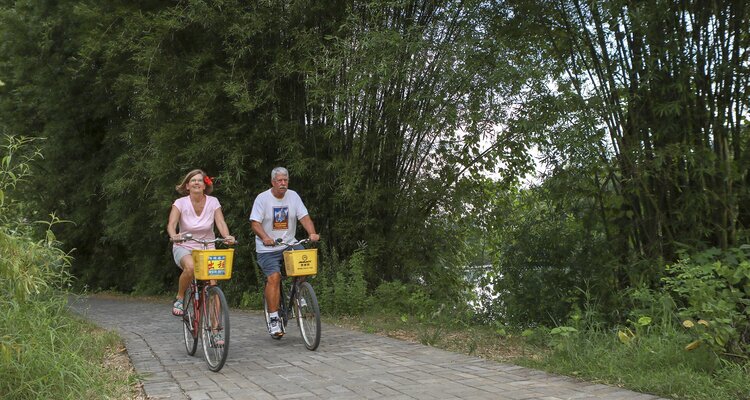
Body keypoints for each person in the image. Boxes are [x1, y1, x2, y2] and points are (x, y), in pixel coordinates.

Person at [250, 167, 320, 336]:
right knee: (273, 278)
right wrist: (265, 237)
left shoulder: (293, 196)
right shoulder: (262, 199)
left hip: (289, 244)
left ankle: (297, 292)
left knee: (305, 263)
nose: (283, 183)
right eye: (279, 180)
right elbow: (255, 223)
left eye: (285, 180)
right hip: (268, 248)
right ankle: (274, 318)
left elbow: (304, 217)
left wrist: (312, 233)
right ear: (273, 182)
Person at [167, 169, 235, 322]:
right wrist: (174, 236)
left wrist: (227, 236)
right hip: (184, 246)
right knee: (190, 267)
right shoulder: (180, 203)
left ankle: (216, 327)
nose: (196, 182)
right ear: (187, 186)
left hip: (207, 247)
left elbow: (221, 222)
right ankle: (179, 297)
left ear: (205, 186)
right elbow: (172, 224)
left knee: (213, 284)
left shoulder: (213, 201)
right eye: (193, 180)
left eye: (199, 180)